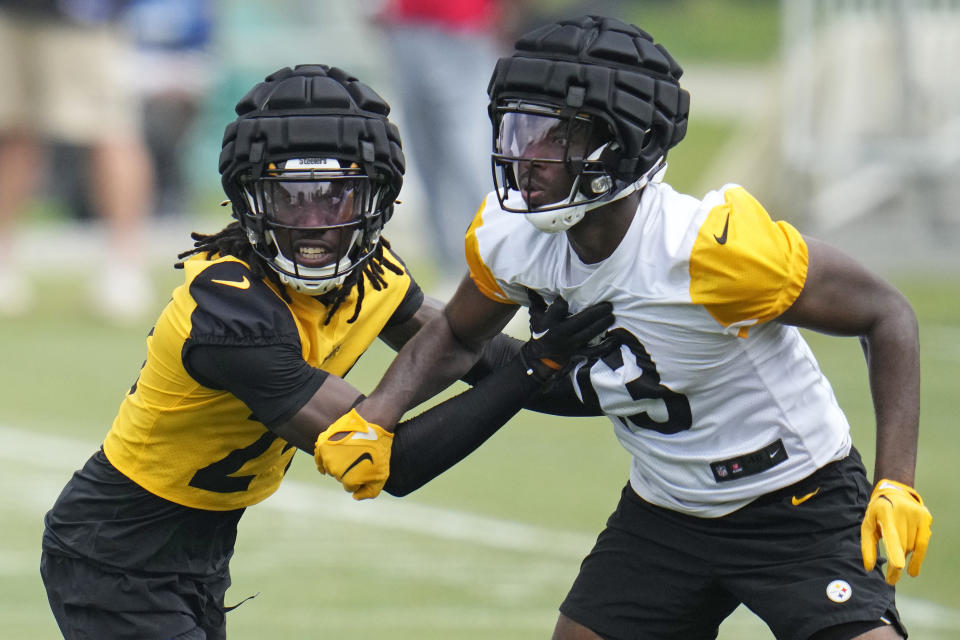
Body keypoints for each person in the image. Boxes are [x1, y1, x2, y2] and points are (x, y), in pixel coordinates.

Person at [347, 16, 934, 640]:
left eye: (553, 135)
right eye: (518, 127)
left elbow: (886, 313)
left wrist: (896, 481)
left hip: (795, 498)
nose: (525, 156)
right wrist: (375, 415)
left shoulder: (711, 249)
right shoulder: (511, 237)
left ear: (626, 141)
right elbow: (457, 336)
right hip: (668, 507)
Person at [39, 64, 616, 639]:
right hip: (113, 552)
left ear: (379, 200)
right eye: (289, 199)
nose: (313, 225)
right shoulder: (232, 313)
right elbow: (390, 462)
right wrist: (538, 366)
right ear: (248, 199)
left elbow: (476, 352)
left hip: (196, 548)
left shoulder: (375, 274)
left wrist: (611, 386)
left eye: (337, 197)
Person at [0, 0, 156, 320]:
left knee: (110, 132)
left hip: (83, 17)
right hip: (15, 12)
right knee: (14, 132)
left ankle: (124, 269)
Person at [372, 0, 516, 282]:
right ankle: (456, 265)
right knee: (426, 148)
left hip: (459, 24)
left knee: (467, 143)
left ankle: (497, 256)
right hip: (407, 26)